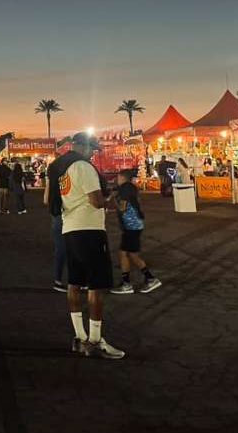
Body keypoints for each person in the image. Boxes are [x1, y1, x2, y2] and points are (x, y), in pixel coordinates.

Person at [47, 132, 124, 359]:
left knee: (75, 282)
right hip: (89, 231)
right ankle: (95, 340)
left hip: (70, 230)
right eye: (91, 148)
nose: (93, 153)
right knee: (96, 285)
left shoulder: (63, 172)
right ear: (79, 146)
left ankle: (80, 337)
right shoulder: (83, 167)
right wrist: (110, 201)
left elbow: (51, 200)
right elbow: (95, 201)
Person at [110, 170, 163, 295]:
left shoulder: (125, 189)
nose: (116, 179)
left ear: (122, 177)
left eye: (118, 177)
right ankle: (129, 282)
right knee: (127, 254)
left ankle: (148, 279)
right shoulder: (130, 188)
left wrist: (113, 202)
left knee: (129, 254)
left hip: (131, 226)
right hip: (134, 225)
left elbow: (122, 208)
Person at [44, 171, 67, 293]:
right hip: (67, 215)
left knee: (60, 249)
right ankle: (79, 281)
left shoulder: (51, 180)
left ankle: (58, 280)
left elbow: (45, 200)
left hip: (56, 215)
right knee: (75, 248)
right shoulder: (68, 179)